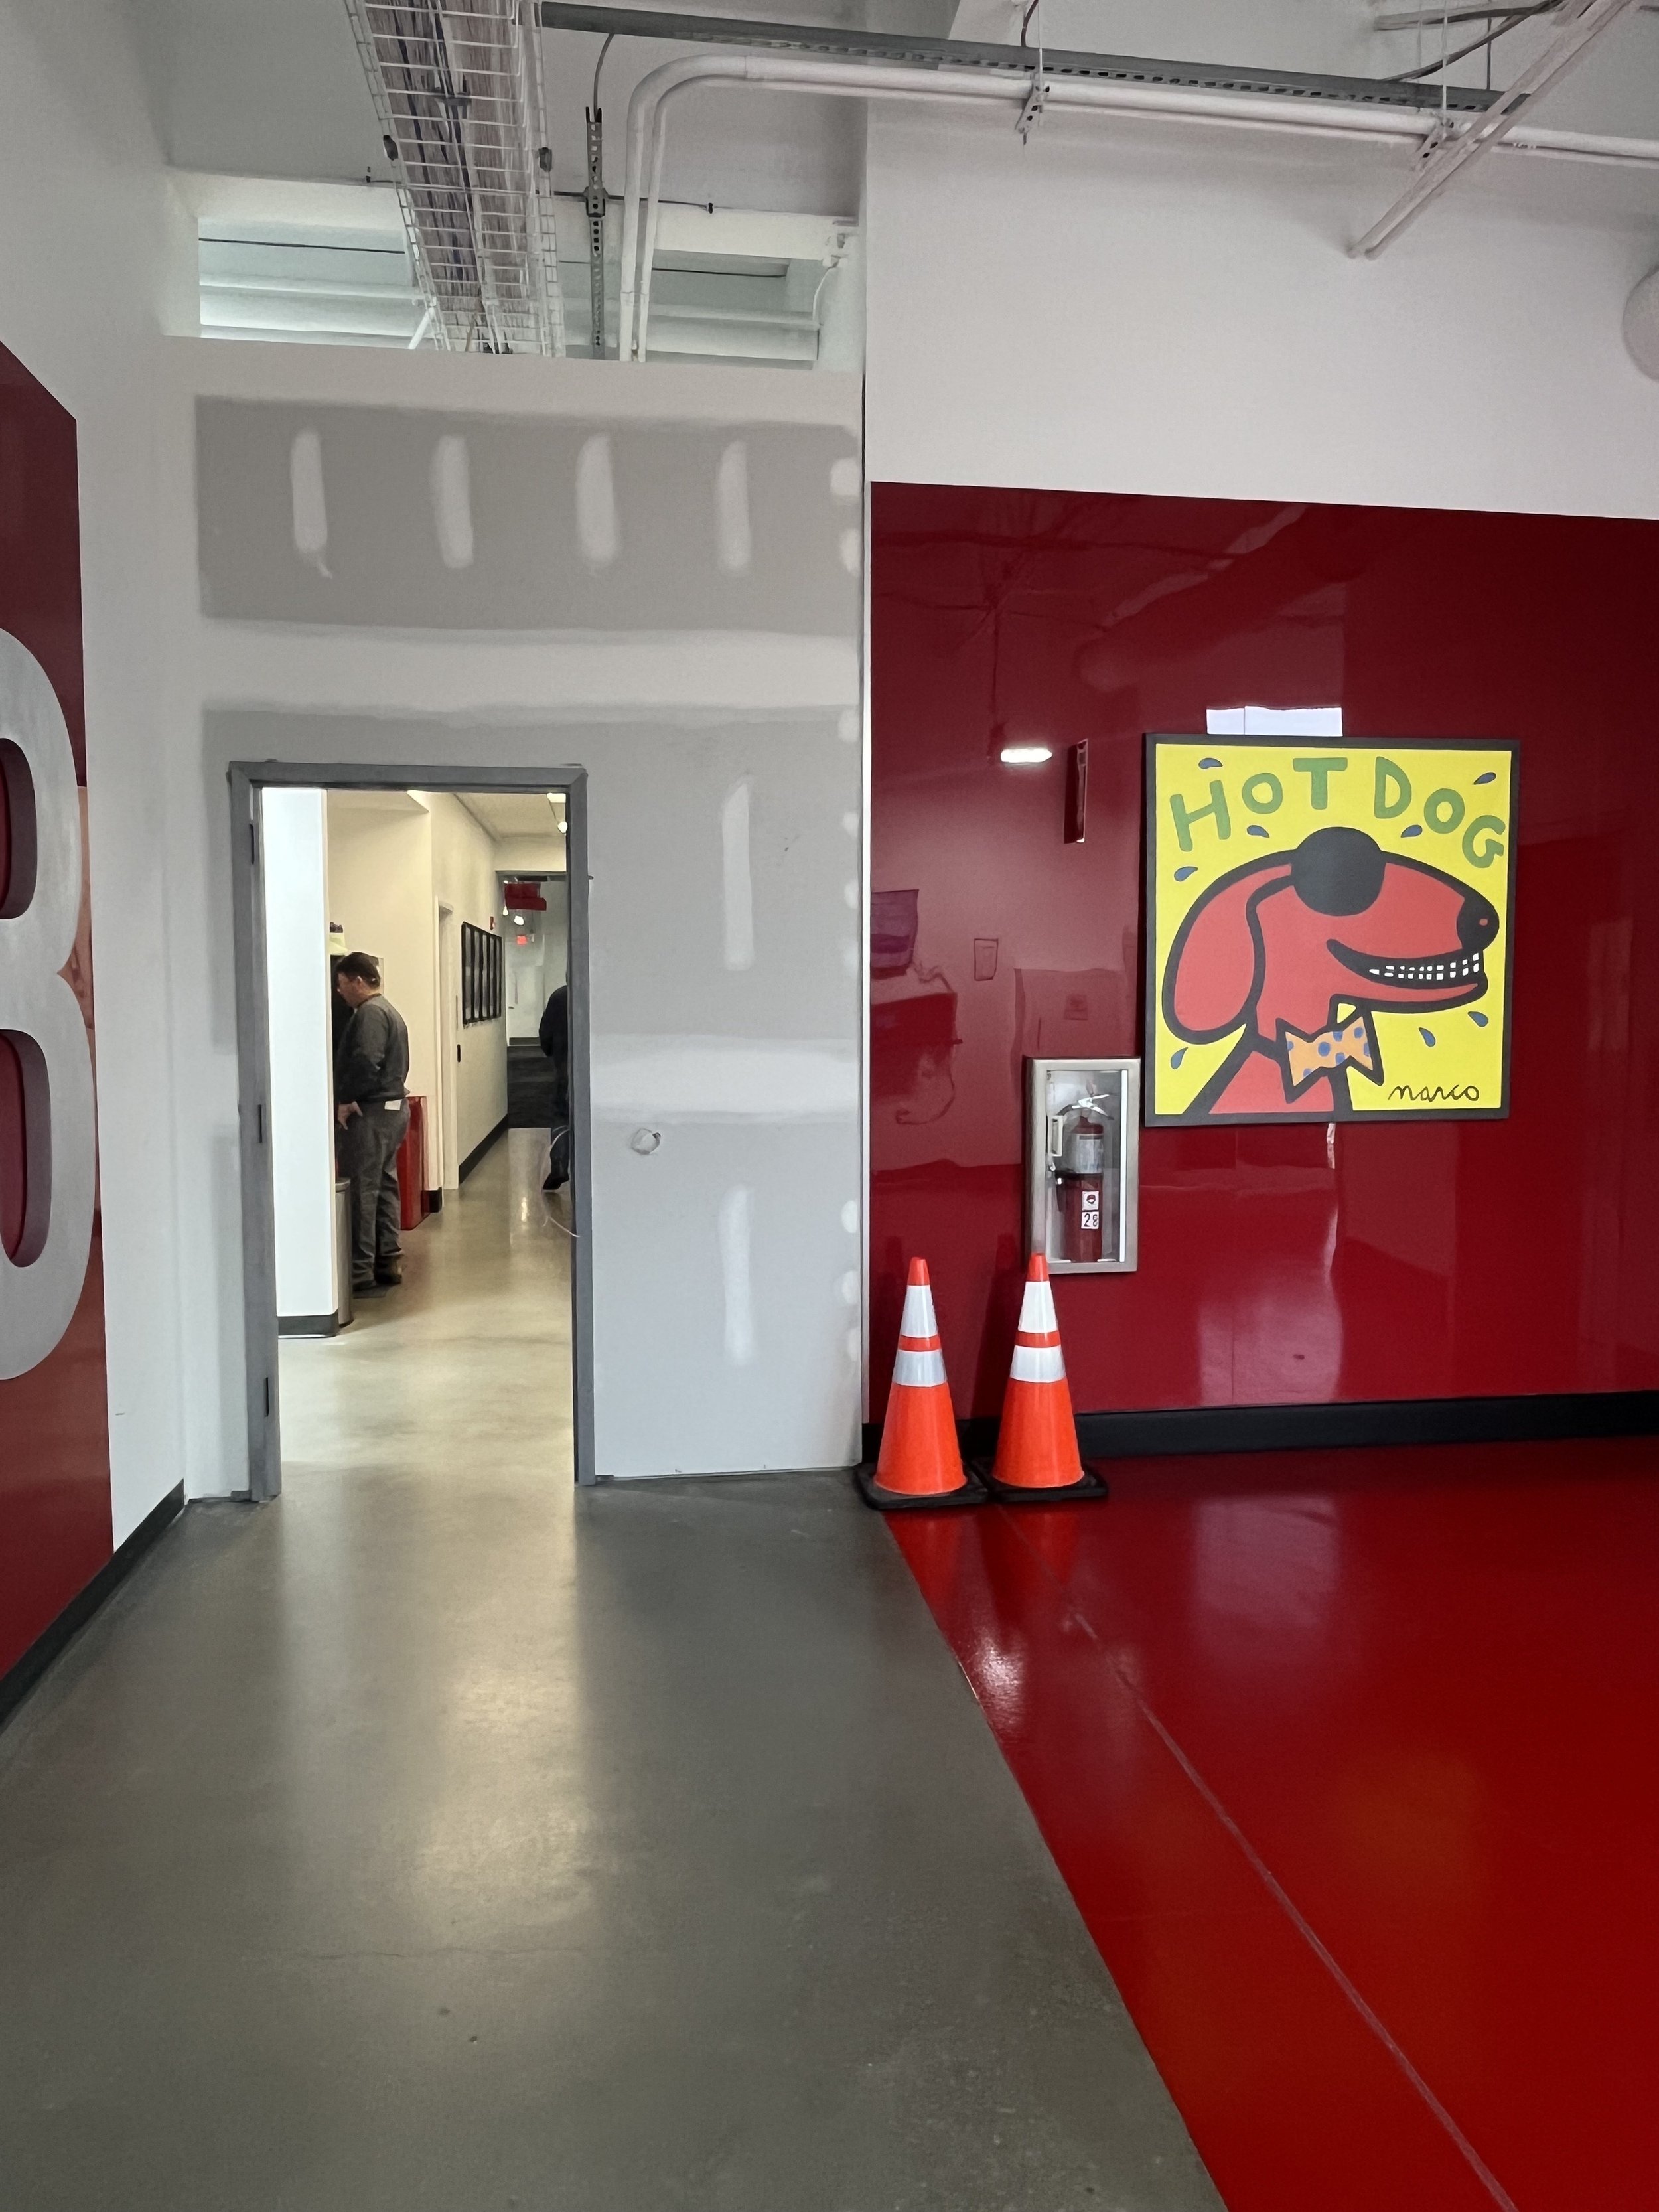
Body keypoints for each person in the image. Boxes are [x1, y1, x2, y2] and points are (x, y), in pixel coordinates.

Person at [334, 952, 411, 1293]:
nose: (340, 993)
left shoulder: (369, 1015)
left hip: (372, 1112)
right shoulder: (390, 1011)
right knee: (384, 1184)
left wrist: (347, 1099)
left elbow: (367, 1061)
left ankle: (360, 1270)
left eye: (341, 985)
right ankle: (388, 1258)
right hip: (393, 1110)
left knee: (363, 1189)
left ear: (358, 981)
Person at [538, 982, 569, 1193]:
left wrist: (553, 1052)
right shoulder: (604, 990)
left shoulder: (559, 996)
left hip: (565, 1065)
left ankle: (559, 1164)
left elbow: (545, 1035)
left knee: (562, 1114)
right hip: (602, 1067)